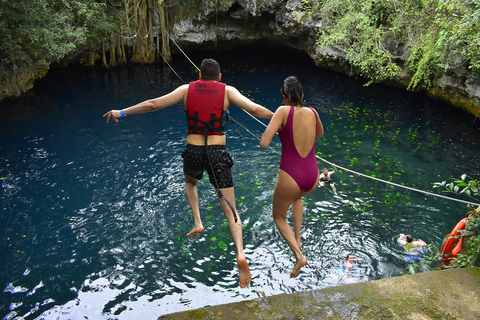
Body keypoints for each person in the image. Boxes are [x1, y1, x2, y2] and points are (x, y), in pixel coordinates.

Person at [103, 58, 273, 288]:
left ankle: (197, 222)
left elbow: (153, 104)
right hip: (217, 152)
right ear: (219, 77)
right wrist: (280, 117)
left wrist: (121, 112)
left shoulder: (186, 89)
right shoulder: (228, 91)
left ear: (199, 75)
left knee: (190, 182)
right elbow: (254, 109)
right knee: (230, 206)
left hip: (194, 150)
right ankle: (240, 253)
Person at [259, 76, 324, 278]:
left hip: (291, 174)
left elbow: (264, 142)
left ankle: (298, 255)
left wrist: (279, 126)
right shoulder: (313, 112)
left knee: (278, 217)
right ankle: (297, 238)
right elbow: (320, 134)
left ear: (285, 97)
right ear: (302, 96)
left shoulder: (282, 111)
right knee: (297, 197)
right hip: (312, 176)